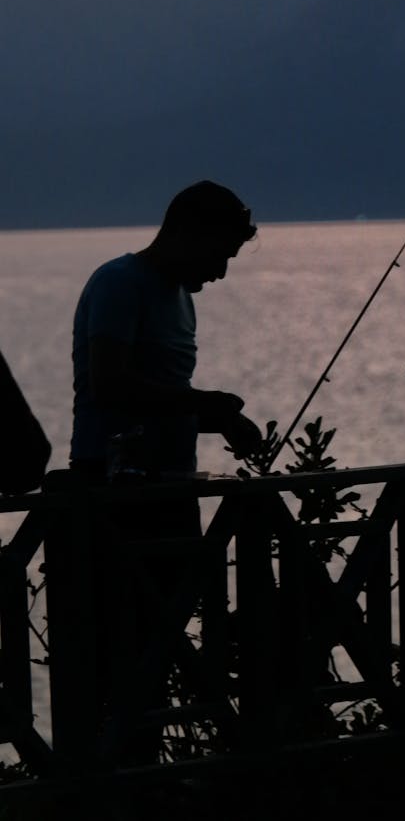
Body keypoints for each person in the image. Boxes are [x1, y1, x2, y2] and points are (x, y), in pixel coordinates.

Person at [68, 179, 263, 763]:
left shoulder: (182, 296)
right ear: (186, 233)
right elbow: (111, 385)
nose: (223, 272)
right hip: (115, 493)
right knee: (114, 654)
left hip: (171, 491)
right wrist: (204, 405)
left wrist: (216, 421)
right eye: (220, 254)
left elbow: (160, 399)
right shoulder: (118, 283)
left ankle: (143, 778)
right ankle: (102, 781)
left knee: (160, 649)